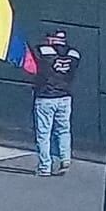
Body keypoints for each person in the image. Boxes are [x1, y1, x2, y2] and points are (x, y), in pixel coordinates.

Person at [33, 29, 80, 177]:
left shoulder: (43, 51)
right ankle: (65, 158)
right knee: (64, 130)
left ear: (52, 39)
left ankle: (45, 166)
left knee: (43, 134)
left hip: (46, 97)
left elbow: (33, 60)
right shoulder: (74, 54)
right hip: (65, 97)